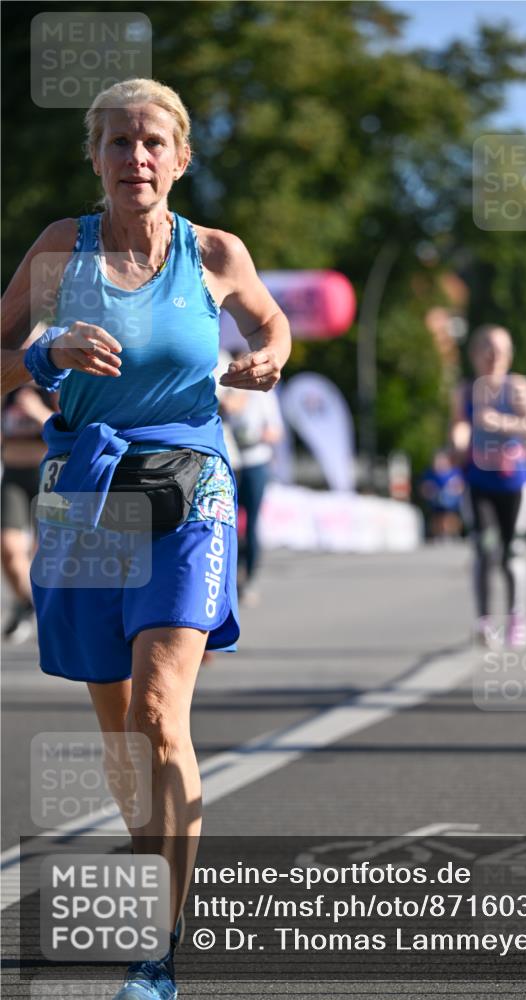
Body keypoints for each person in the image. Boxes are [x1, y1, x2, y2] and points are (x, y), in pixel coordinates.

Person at [0, 78, 290, 1000]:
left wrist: (269, 356)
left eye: (154, 142)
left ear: (181, 157)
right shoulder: (59, 250)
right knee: (120, 723)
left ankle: (160, 947)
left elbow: (269, 320)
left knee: (163, 712)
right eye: (119, 142)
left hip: (189, 482)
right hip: (86, 482)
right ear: (95, 158)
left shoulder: (214, 252)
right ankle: (150, 882)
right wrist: (46, 355)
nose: (137, 157)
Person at [451, 324, 526, 648]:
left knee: (511, 552)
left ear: (509, 355)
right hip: (478, 481)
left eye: (500, 350)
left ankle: (516, 617)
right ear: (475, 355)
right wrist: (458, 442)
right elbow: (460, 428)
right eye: (487, 350)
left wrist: (501, 423)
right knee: (483, 549)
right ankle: (484, 621)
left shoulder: (516, 387)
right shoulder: (465, 391)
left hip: (515, 484)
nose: (494, 357)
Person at [218, 358, 284, 605]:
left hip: (256, 461)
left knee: (252, 521)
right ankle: (229, 578)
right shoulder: (232, 389)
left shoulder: (266, 396)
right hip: (232, 460)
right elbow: (225, 408)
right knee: (230, 521)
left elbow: (276, 430)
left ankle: (250, 578)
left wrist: (256, 436)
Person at [1, 386, 57, 641]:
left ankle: (49, 613)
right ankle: (28, 602)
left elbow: (71, 428)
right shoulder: (8, 386)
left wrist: (37, 411)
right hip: (13, 476)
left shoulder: (54, 385)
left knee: (46, 554)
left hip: (48, 477)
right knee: (9, 548)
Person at [419, 448, 464, 541]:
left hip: (452, 501)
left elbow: (460, 486)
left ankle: (451, 532)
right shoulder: (429, 474)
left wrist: (452, 490)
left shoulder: (455, 472)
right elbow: (424, 488)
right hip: (435, 500)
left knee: (450, 513)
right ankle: (439, 533)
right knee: (437, 515)